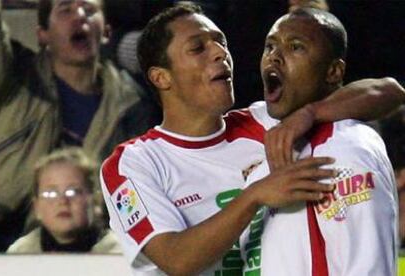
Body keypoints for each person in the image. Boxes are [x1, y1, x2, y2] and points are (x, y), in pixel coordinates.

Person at [100, 3, 404, 275]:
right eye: (198, 48)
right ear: (161, 77)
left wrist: (311, 112)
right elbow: (177, 260)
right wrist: (255, 195)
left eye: (220, 42)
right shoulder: (134, 163)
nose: (220, 53)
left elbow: (390, 91)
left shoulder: (271, 122)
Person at [244, 8, 398, 275]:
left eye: (296, 47)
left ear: (333, 72)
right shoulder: (265, 138)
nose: (274, 57)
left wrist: (311, 112)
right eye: (270, 46)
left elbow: (368, 269)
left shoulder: (345, 151)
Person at [0, 0, 153, 251]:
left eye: (89, 11)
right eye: (65, 9)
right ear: (42, 34)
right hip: (1, 232)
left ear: (107, 32)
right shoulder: (13, 81)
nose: (79, 16)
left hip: (92, 245)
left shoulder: (132, 106)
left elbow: (137, 195)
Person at [7, 147, 121, 253]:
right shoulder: (21, 253)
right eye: (51, 193)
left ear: (96, 201)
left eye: (73, 192)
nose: (62, 201)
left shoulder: (119, 254)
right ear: (37, 206)